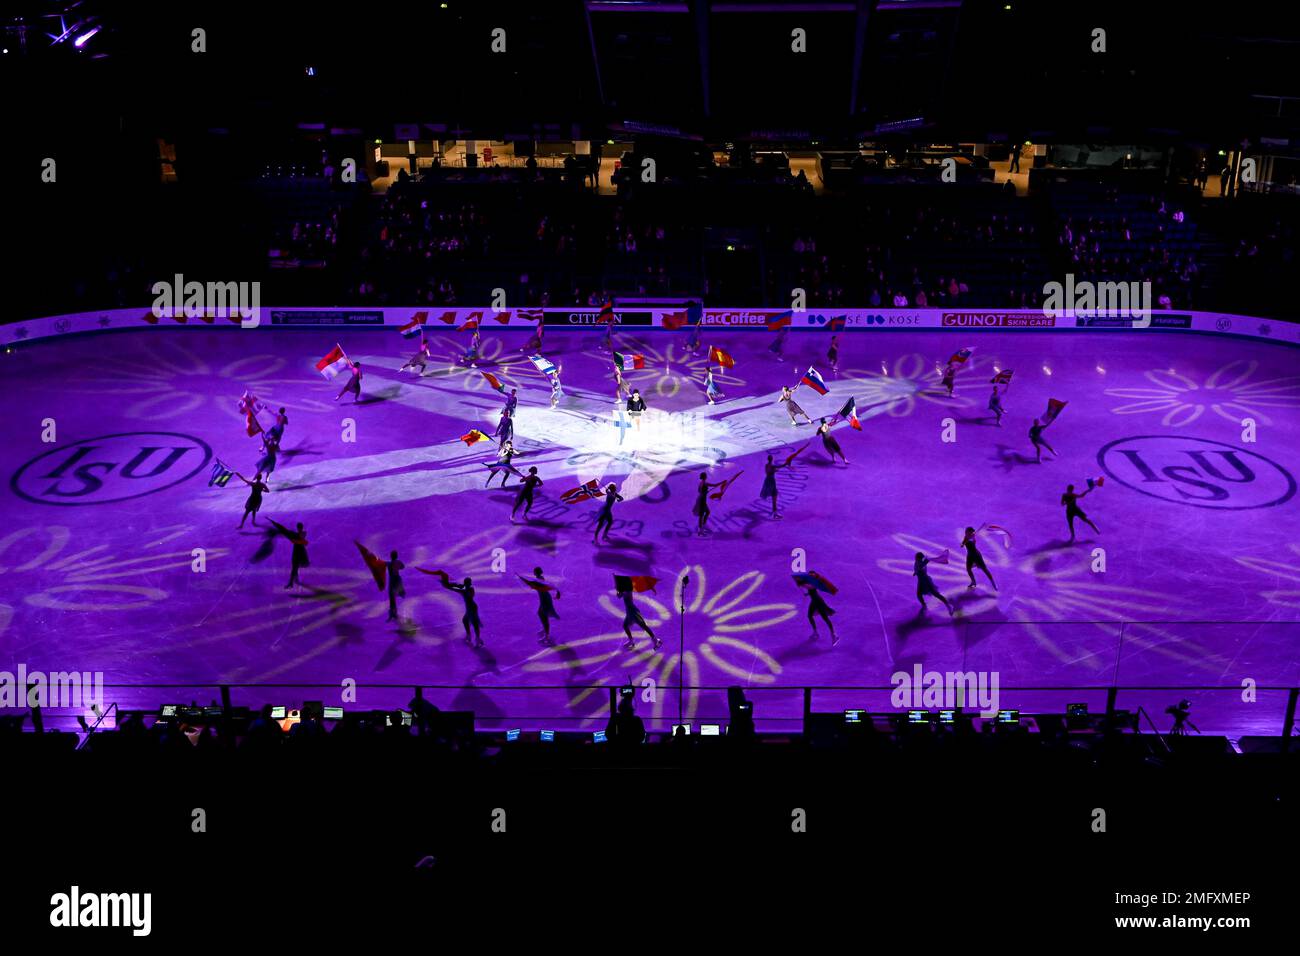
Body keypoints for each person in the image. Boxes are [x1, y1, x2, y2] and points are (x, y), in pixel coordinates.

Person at [443, 576, 483, 647]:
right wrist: (449, 583)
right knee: (466, 620)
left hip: (471, 608)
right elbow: (457, 585)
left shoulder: (466, 590)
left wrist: (447, 586)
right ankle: (471, 636)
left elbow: (456, 588)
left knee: (474, 623)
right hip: (471, 607)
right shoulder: (468, 587)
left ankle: (477, 639)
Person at [529, 567, 561, 645]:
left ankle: (546, 637)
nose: (533, 573)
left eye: (534, 572)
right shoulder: (539, 578)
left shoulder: (539, 580)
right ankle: (544, 630)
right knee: (540, 613)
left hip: (545, 600)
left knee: (544, 618)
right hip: (544, 599)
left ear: (536, 573)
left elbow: (535, 584)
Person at [760, 453, 790, 518]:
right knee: (774, 496)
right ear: (772, 459)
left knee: (774, 495)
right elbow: (780, 466)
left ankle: (775, 512)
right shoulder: (772, 466)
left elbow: (768, 472)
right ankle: (775, 513)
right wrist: (786, 463)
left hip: (767, 480)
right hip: (771, 481)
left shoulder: (766, 465)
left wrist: (774, 471)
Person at [285, 522, 309, 590]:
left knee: (294, 568)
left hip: (299, 553)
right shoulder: (299, 534)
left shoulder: (302, 534)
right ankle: (294, 580)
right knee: (295, 567)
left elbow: (301, 536)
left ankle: (291, 583)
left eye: (299, 528)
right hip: (296, 552)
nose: (299, 529)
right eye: (298, 528)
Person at [386, 550, 406, 621]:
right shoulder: (397, 562)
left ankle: (393, 613)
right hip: (397, 579)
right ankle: (393, 613)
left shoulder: (388, 563)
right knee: (393, 596)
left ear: (391, 556)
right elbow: (403, 567)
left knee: (392, 597)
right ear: (396, 556)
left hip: (392, 581)